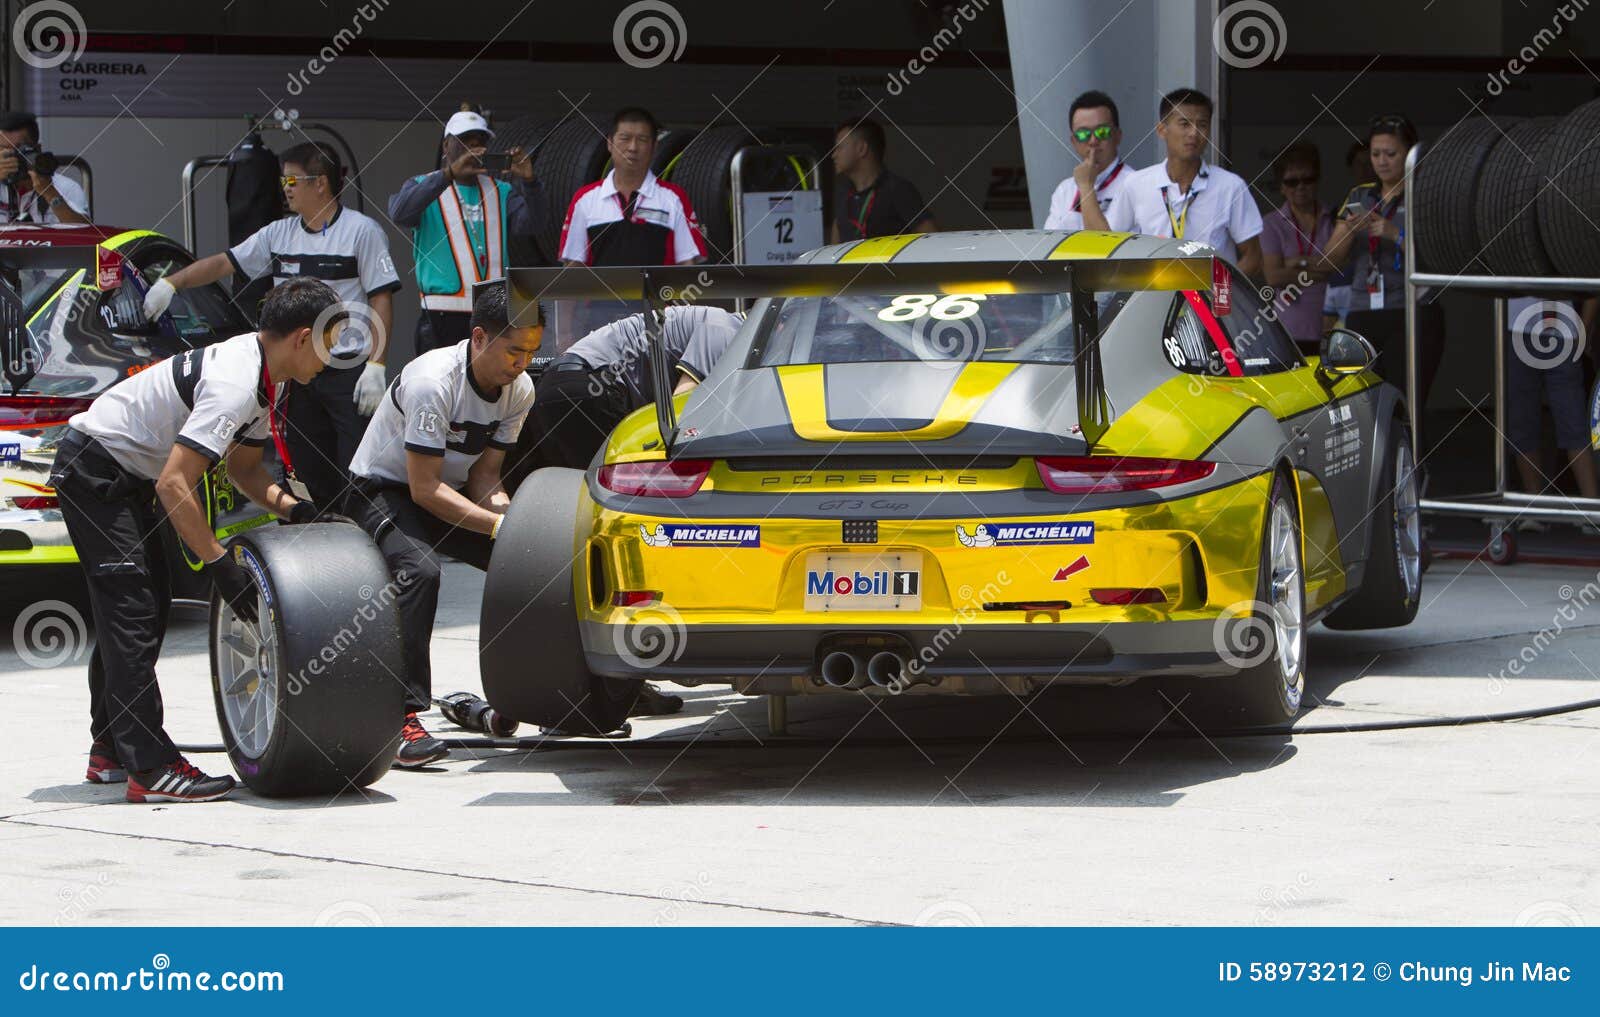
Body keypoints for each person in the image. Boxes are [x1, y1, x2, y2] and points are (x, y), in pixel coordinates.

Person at [51, 279, 343, 803]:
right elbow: (174, 483)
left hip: (127, 474)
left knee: (140, 608)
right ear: (303, 337)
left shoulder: (267, 378)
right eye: (331, 340)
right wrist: (219, 563)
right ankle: (151, 767)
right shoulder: (235, 381)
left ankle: (111, 748)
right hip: (95, 469)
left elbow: (244, 467)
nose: (333, 355)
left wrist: (292, 508)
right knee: (132, 610)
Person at [143, 141, 401, 511]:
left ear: (321, 183)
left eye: (293, 180)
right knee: (307, 462)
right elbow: (223, 263)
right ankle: (324, 534)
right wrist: (172, 283)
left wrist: (376, 365)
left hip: (349, 369)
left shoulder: (363, 232)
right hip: (297, 371)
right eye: (284, 181)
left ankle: (368, 538)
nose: (287, 189)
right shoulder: (277, 234)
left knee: (359, 465)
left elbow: (381, 299)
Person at [345, 281, 539, 767]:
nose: (522, 364)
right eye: (513, 351)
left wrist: (513, 525)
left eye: (532, 352)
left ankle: (549, 692)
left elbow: (486, 476)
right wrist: (495, 528)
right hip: (383, 488)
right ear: (478, 338)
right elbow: (423, 490)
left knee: (536, 562)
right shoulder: (434, 381)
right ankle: (402, 719)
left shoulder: (522, 390)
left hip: (448, 491)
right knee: (420, 571)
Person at [1323, 115, 1443, 445]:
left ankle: (1414, 476)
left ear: (1410, 153)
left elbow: (1444, 257)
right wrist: (1348, 231)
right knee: (1361, 403)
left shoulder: (1426, 194)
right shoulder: (1359, 195)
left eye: (1390, 153)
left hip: (1413, 310)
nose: (1382, 162)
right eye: (1376, 154)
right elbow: (1327, 262)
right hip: (1363, 310)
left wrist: (1395, 234)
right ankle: (1375, 487)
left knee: (1407, 402)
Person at [389, 108, 545, 355]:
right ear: (446, 147)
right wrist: (449, 174)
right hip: (441, 315)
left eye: (480, 144)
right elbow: (400, 213)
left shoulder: (501, 189)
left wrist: (530, 182)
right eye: (465, 143)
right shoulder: (423, 185)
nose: (474, 150)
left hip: (492, 314)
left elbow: (534, 225)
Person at [525, 305, 743, 470]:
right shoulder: (726, 329)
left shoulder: (719, 323)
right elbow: (681, 408)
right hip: (587, 388)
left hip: (558, 384)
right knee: (617, 496)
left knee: (568, 502)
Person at [1085, 88, 1262, 277]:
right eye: (1184, 124)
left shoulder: (1230, 186)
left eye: (1202, 124)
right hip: (1155, 301)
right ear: (1162, 130)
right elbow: (1106, 243)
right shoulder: (1136, 184)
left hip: (1210, 304)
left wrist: (1217, 289)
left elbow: (1254, 257)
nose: (1194, 133)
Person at [560, 107, 706, 267]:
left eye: (642, 140)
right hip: (601, 293)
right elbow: (573, 267)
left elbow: (688, 264)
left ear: (654, 147)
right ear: (610, 143)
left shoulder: (674, 198)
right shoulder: (585, 199)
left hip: (661, 293)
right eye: (625, 138)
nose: (633, 148)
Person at [1505, 298, 1600, 513]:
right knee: (1522, 418)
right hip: (1517, 326)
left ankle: (1592, 509)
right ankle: (1534, 507)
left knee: (1573, 418)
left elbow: (1592, 271)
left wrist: (1584, 327)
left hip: (1563, 329)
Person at [1259, 143, 1336, 351]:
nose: (1300, 187)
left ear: (1317, 180)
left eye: (1307, 179)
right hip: (1289, 331)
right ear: (1282, 187)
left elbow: (1340, 268)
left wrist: (1295, 263)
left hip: (1332, 329)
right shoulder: (1271, 223)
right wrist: (1322, 269)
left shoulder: (1336, 218)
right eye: (1292, 182)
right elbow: (1273, 276)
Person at [829, 117, 935, 244]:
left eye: (840, 147)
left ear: (861, 149)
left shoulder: (898, 189)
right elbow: (834, 249)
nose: (833, 155)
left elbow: (931, 240)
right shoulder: (843, 193)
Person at [1043, 90, 1132, 232]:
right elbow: (1051, 244)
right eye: (1083, 134)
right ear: (1073, 141)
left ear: (1118, 136)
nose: (1093, 141)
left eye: (1102, 132)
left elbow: (1104, 246)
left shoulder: (1135, 184)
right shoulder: (1064, 190)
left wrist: (1086, 186)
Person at [0, 112, 88, 224]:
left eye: (19, 149)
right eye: (3, 149)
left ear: (37, 149)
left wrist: (50, 193)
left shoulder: (66, 187)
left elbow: (83, 232)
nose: (12, 155)